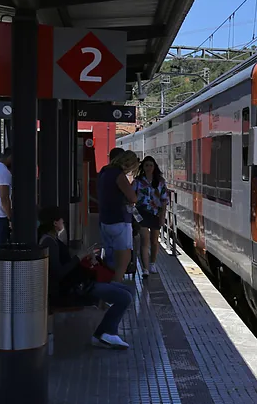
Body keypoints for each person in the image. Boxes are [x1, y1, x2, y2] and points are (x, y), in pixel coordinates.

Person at [38, 206, 133, 349]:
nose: (64, 222)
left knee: (127, 290)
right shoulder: (49, 242)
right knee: (125, 297)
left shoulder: (51, 239)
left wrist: (84, 256)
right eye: (62, 219)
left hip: (77, 284)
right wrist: (79, 257)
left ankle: (105, 331)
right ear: (55, 222)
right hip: (71, 289)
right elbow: (58, 273)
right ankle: (105, 333)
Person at [97, 149, 140, 283]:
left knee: (109, 258)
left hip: (105, 220)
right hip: (120, 221)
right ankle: (115, 289)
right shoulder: (118, 174)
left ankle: (106, 286)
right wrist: (132, 186)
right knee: (123, 258)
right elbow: (133, 198)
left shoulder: (104, 172)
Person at [134, 156, 170, 277]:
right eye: (146, 165)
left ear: (154, 167)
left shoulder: (160, 182)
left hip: (156, 214)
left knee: (154, 241)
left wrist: (162, 216)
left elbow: (164, 200)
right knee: (145, 240)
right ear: (143, 167)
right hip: (142, 213)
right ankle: (145, 268)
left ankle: (152, 263)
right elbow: (131, 197)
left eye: (151, 165)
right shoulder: (138, 181)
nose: (149, 168)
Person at [0, 150, 13, 246]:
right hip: (0, 216)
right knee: (0, 248)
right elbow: (4, 198)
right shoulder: (4, 172)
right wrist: (11, 217)